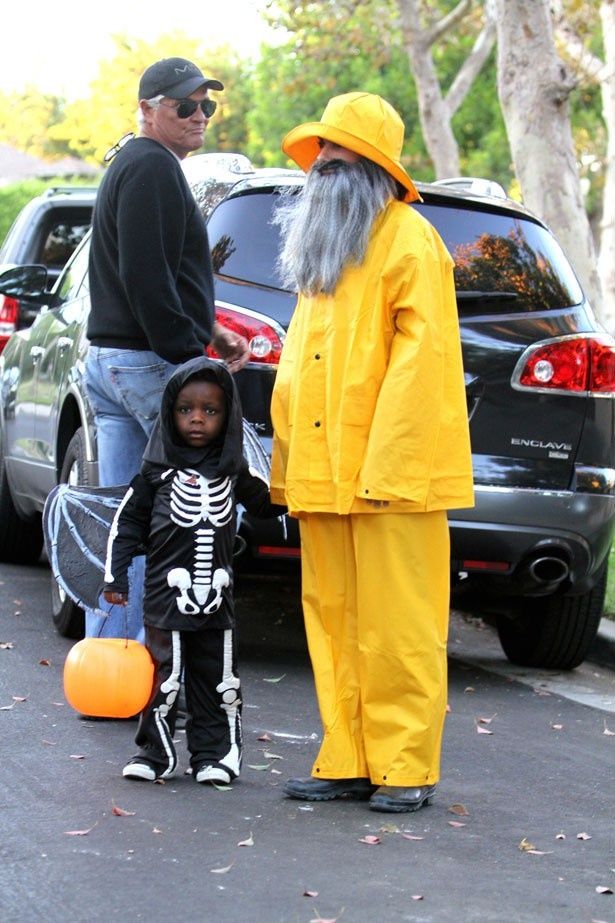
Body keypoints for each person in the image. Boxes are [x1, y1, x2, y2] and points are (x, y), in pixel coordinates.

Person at [269, 92, 474, 813]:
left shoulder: (410, 240)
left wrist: (389, 467)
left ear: (372, 167)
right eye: (318, 150)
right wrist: (289, 463)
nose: (319, 162)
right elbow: (302, 366)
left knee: (398, 625)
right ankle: (348, 756)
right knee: (333, 619)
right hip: (325, 477)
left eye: (335, 150)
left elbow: (422, 369)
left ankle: (405, 764)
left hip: (391, 477)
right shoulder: (328, 249)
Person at [84, 57, 249, 641]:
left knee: (123, 520)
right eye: (185, 105)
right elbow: (146, 277)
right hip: (145, 364)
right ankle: (166, 668)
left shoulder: (140, 163)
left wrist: (211, 328)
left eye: (207, 104)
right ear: (149, 110)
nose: (199, 115)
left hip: (114, 361)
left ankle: (113, 664)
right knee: (190, 518)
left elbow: (163, 274)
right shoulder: (152, 167)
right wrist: (190, 360)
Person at [102, 356, 286, 783]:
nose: (197, 419)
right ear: (170, 413)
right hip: (166, 599)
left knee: (218, 681)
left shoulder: (232, 471)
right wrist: (115, 576)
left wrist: (300, 484)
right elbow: (126, 522)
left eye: (210, 411)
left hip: (217, 602)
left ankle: (215, 756)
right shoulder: (156, 473)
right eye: (186, 410)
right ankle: (155, 754)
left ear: (228, 416)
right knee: (164, 679)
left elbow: (267, 503)